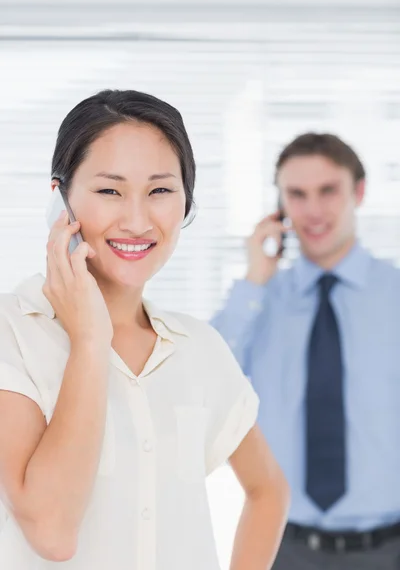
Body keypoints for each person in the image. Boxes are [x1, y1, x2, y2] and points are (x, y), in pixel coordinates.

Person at [0, 90, 289, 570]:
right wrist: (90, 340)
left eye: (160, 191)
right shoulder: (13, 332)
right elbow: (52, 533)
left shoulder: (198, 347)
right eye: (110, 190)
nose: (137, 221)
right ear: (60, 201)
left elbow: (268, 490)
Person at [212, 132, 400, 570]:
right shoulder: (259, 300)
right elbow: (203, 385)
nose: (312, 210)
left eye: (328, 191)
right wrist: (254, 277)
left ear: (359, 192)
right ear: (280, 206)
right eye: (296, 195)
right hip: (284, 547)